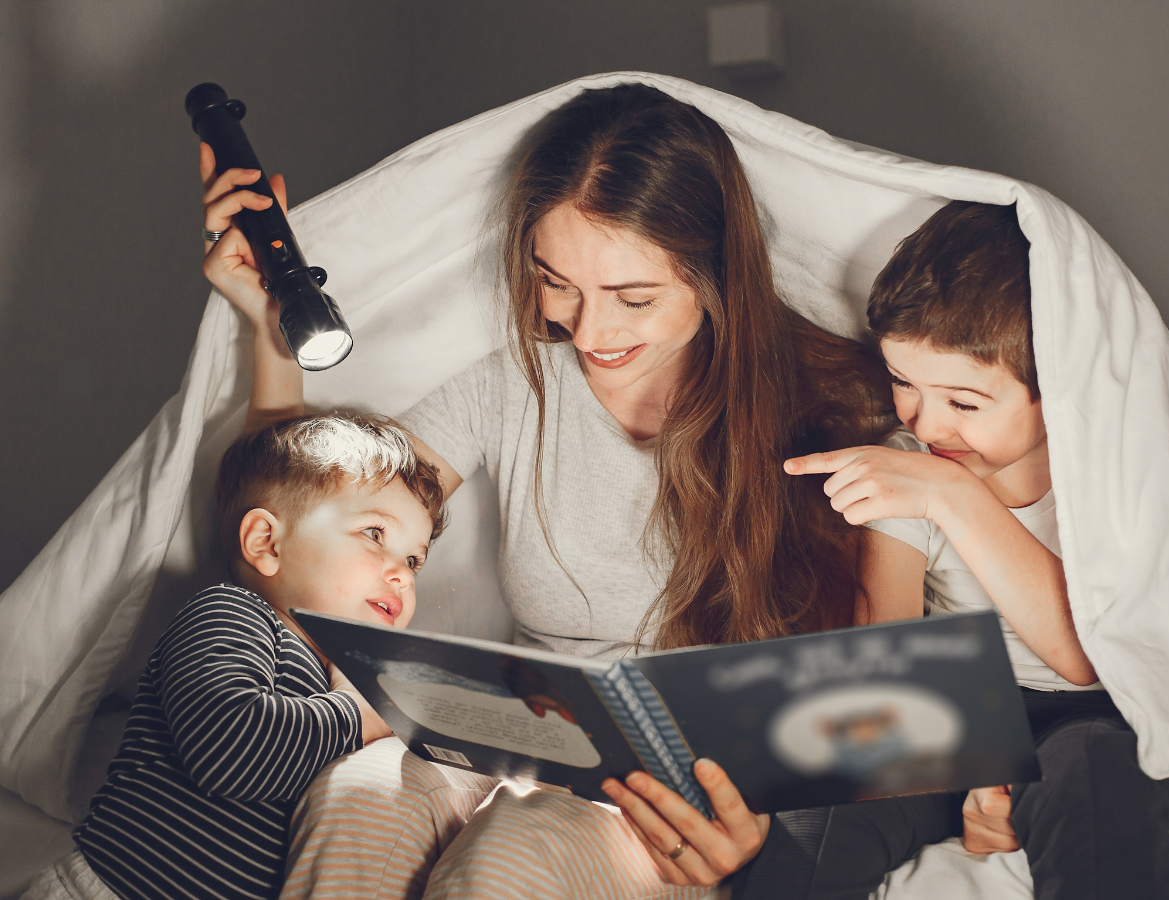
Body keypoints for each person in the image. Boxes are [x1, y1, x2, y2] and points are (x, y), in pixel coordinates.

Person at [199, 83, 898, 898]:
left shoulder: (832, 410)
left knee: (508, 858)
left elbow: (879, 691)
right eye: (556, 282)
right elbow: (307, 516)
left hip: (672, 792)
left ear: (716, 278)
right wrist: (265, 324)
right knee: (356, 794)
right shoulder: (517, 387)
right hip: (517, 736)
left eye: (633, 298)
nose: (589, 333)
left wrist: (769, 840)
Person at [774, 201, 1169, 900]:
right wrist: (964, 761)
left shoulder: (1117, 466)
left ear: (1058, 391)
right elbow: (885, 649)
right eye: (904, 384)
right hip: (962, 712)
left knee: (1090, 770)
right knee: (819, 818)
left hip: (1113, 713)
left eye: (966, 403)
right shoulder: (908, 457)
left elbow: (1084, 657)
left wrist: (953, 495)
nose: (926, 421)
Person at [20, 412, 446, 900]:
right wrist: (359, 716)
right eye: (375, 534)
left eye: (414, 560)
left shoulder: (345, 681)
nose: (403, 575)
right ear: (265, 542)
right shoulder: (234, 614)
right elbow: (226, 747)